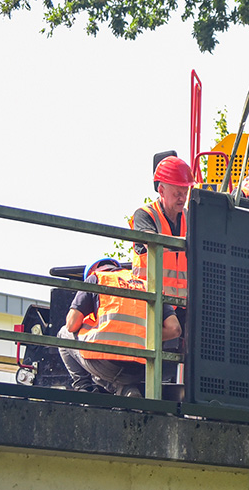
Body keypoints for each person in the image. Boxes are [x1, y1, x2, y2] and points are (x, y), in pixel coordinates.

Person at [59, 257, 181, 397]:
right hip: (142, 368)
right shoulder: (148, 286)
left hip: (107, 365)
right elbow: (174, 329)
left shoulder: (96, 279)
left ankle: (84, 390)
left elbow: (71, 325)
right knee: (101, 364)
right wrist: (142, 335)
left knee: (63, 334)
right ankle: (126, 389)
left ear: (93, 271)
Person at [129, 154, 194, 307]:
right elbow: (153, 243)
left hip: (184, 305)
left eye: (185, 193)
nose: (182, 198)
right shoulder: (144, 215)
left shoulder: (189, 218)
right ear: (161, 191)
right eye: (177, 193)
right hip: (150, 302)